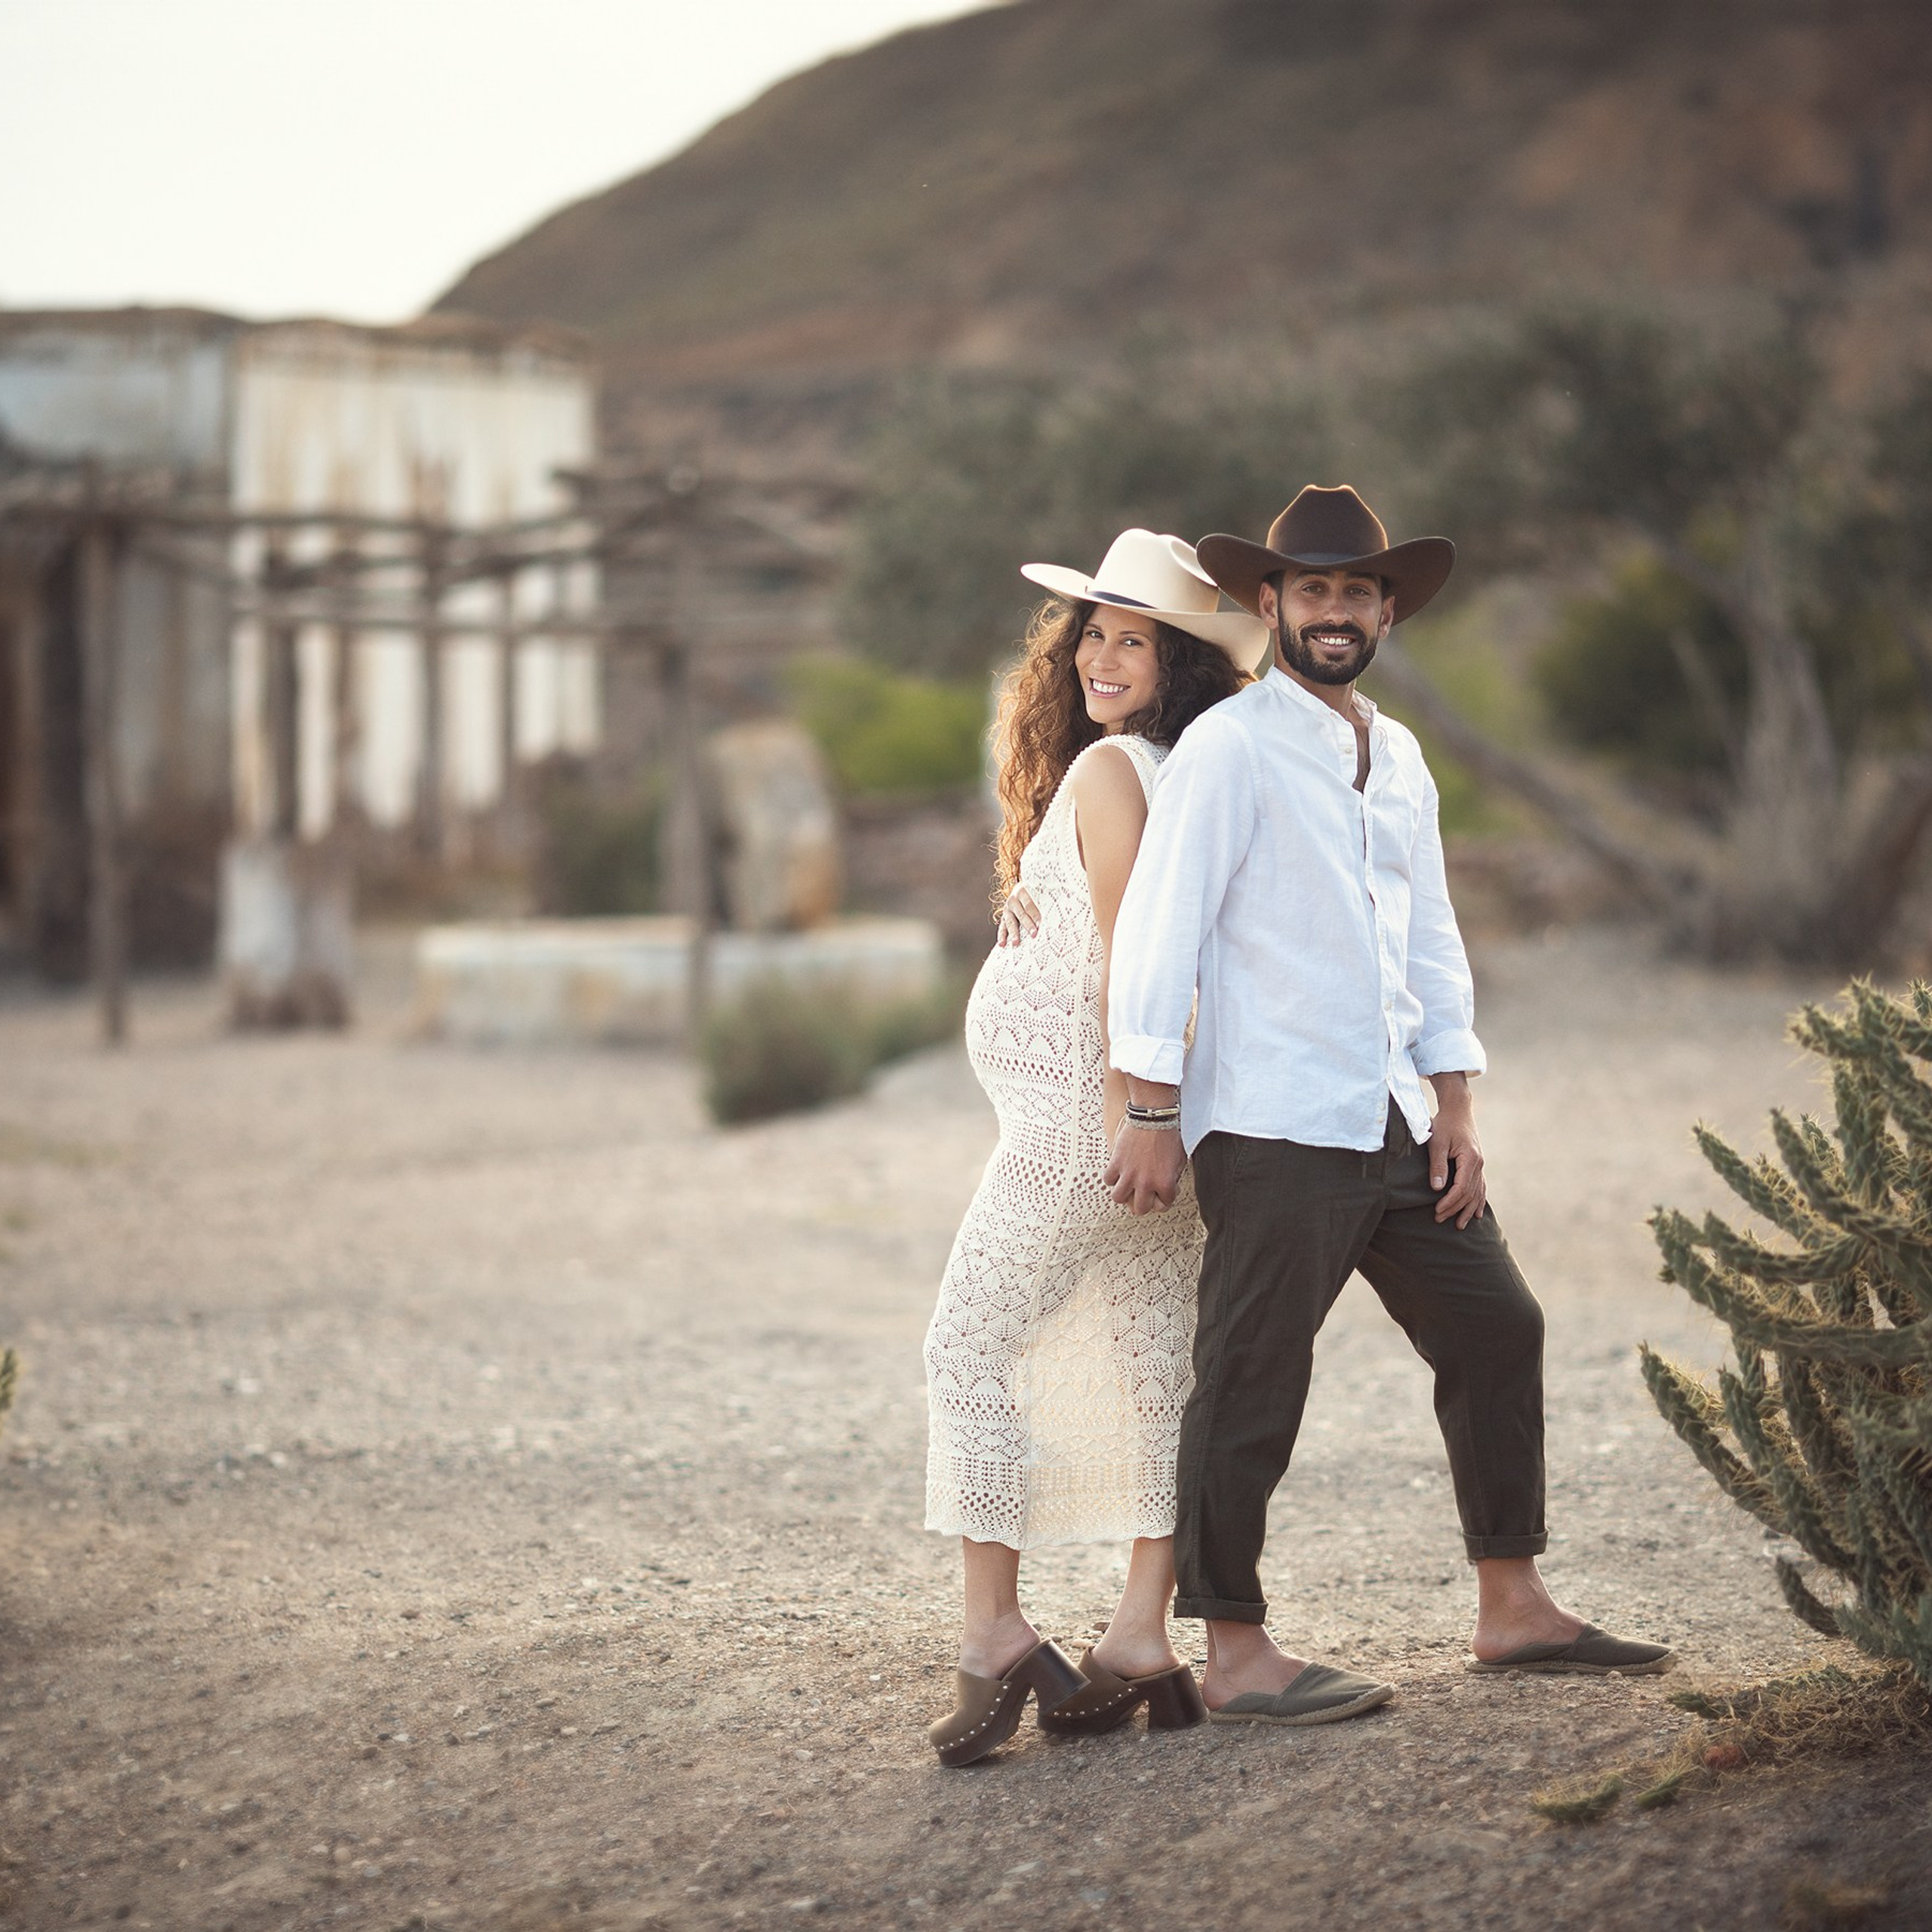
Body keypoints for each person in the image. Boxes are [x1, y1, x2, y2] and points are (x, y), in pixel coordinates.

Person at [1104, 485, 1674, 1728]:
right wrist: (1149, 1108)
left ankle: (1513, 1604)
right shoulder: (1232, 747)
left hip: (1396, 1119)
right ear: (1271, 605)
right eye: (1312, 591)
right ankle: (1237, 1649)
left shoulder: (1399, 754)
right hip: (1272, 1121)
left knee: (1497, 1324)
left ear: (1386, 611)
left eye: (1358, 592)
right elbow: (1161, 927)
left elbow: (1430, 943)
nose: (1336, 611)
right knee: (1252, 1373)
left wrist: (1455, 1105)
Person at [922, 528, 1269, 1767]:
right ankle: (1140, 1637)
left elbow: (1138, 956)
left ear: (1176, 663)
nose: (1101, 658)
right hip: (1135, 1128)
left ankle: (996, 1639)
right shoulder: (1179, 771)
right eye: (1095, 635)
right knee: (1152, 1369)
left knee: (964, 1346)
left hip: (1091, 1130)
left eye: (1135, 640)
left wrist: (1137, 1111)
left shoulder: (1119, 773)